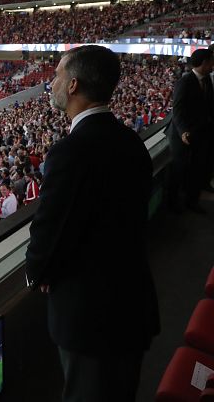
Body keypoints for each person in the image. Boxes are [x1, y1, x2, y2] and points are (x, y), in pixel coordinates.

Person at [25, 45, 159, 402]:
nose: (51, 83)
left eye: (56, 75)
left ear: (73, 85)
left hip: (91, 317)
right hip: (131, 301)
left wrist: (36, 274)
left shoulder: (72, 151)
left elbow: (50, 228)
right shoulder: (130, 141)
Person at [167, 48, 214, 213]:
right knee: (179, 169)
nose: (213, 64)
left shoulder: (207, 79)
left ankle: (192, 202)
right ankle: (172, 204)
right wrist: (183, 132)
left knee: (197, 168)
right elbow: (177, 111)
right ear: (204, 63)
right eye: (211, 61)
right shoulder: (185, 82)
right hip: (183, 135)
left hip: (201, 134)